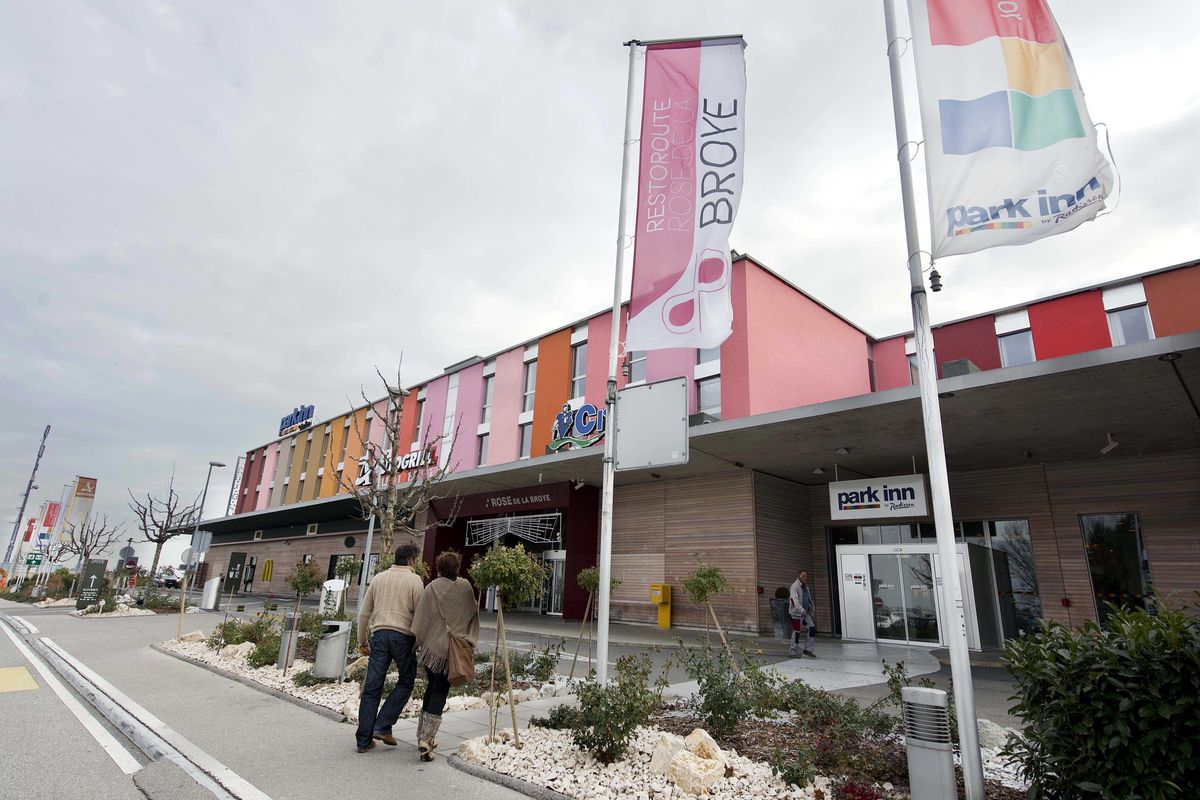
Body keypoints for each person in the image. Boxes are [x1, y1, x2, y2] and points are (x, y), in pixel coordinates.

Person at [354, 542, 425, 753]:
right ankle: (383, 725)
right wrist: (420, 643)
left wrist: (361, 641)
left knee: (372, 687)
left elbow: (364, 613)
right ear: (412, 560)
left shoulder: (378, 578)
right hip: (403, 637)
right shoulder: (414, 581)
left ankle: (363, 740)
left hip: (379, 636)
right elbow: (420, 616)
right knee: (405, 681)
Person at [411, 550, 480, 762]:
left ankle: (423, 736)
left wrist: (418, 642)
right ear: (457, 567)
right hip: (454, 649)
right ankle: (426, 738)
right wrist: (468, 639)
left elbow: (421, 619)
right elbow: (472, 615)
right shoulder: (465, 587)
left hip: (433, 649)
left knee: (432, 687)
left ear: (438, 567)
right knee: (440, 691)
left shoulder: (431, 588)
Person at [788, 570, 817, 658]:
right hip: (796, 614)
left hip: (805, 613)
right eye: (803, 576)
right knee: (796, 632)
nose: (805, 578)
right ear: (799, 577)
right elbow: (795, 600)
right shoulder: (794, 587)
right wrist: (801, 609)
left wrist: (811, 609)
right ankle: (793, 651)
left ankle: (808, 650)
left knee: (812, 628)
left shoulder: (806, 587)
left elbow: (808, 599)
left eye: (806, 576)